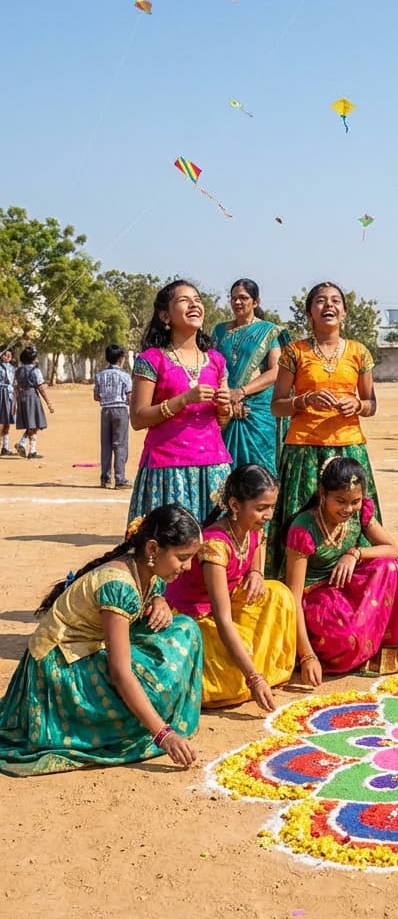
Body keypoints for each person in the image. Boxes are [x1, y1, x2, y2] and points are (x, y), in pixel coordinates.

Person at [0, 505, 204, 776]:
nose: (188, 567)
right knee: (152, 687)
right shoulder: (118, 586)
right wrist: (163, 734)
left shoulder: (144, 570)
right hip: (61, 670)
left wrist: (159, 599)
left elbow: (150, 596)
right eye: (183, 558)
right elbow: (121, 673)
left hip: (89, 651)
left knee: (186, 628)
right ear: (153, 549)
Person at [268, 282, 378, 577]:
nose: (328, 305)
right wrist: (304, 400)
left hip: (348, 447)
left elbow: (371, 404)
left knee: (352, 516)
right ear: (309, 313)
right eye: (320, 300)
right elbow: (277, 405)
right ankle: (297, 585)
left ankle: (353, 579)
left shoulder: (359, 352)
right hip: (304, 449)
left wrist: (358, 405)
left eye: (335, 301)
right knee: (301, 520)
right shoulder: (294, 352)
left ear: (344, 312)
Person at [165, 464, 296, 709]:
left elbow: (257, 544)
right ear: (235, 506)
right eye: (261, 508)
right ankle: (252, 673)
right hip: (199, 616)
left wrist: (256, 572)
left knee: (279, 594)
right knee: (232, 673)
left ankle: (259, 668)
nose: (268, 515)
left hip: (229, 599)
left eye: (271, 507)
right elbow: (222, 618)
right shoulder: (215, 545)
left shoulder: (252, 526)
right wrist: (253, 677)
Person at [285, 457, 398, 682]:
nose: (348, 509)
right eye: (340, 501)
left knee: (390, 568)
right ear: (323, 493)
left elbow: (392, 550)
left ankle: (384, 645)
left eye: (355, 501)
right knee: (346, 638)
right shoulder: (303, 529)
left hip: (345, 587)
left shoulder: (360, 514)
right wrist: (307, 655)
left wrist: (355, 553)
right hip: (316, 600)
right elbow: (293, 595)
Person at [128, 280, 233, 524]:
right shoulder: (151, 360)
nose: (194, 304)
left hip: (214, 467)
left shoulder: (216, 360)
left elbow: (222, 421)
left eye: (197, 300)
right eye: (184, 300)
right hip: (168, 469)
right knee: (171, 541)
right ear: (165, 316)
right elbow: (138, 419)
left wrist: (225, 407)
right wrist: (184, 399)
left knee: (213, 541)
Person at [212, 278, 290, 477]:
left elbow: (276, 371)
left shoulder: (268, 331)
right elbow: (212, 366)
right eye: (233, 298)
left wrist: (241, 392)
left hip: (257, 410)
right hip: (224, 406)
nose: (237, 302)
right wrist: (228, 398)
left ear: (256, 302)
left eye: (243, 298)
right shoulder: (219, 331)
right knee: (224, 471)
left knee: (260, 471)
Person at [94, 343, 132, 489]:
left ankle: (105, 478)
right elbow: (129, 396)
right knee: (120, 444)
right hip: (120, 410)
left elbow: (96, 396)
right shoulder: (125, 376)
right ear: (121, 359)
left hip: (105, 411)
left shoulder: (100, 375)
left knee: (106, 444)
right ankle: (120, 478)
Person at [14, 346, 54, 459]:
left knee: (31, 423)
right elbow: (40, 387)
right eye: (35, 358)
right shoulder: (35, 370)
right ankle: (31, 450)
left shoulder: (18, 370)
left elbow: (16, 387)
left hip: (21, 396)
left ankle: (25, 445)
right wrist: (49, 403)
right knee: (33, 423)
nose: (36, 360)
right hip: (32, 396)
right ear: (32, 359)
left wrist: (14, 403)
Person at [0, 347, 15, 455]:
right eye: (5, 354)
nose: (8, 356)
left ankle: (5, 447)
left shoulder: (12, 368)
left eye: (10, 354)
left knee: (8, 420)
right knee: (0, 420)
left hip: (9, 394)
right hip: (1, 393)